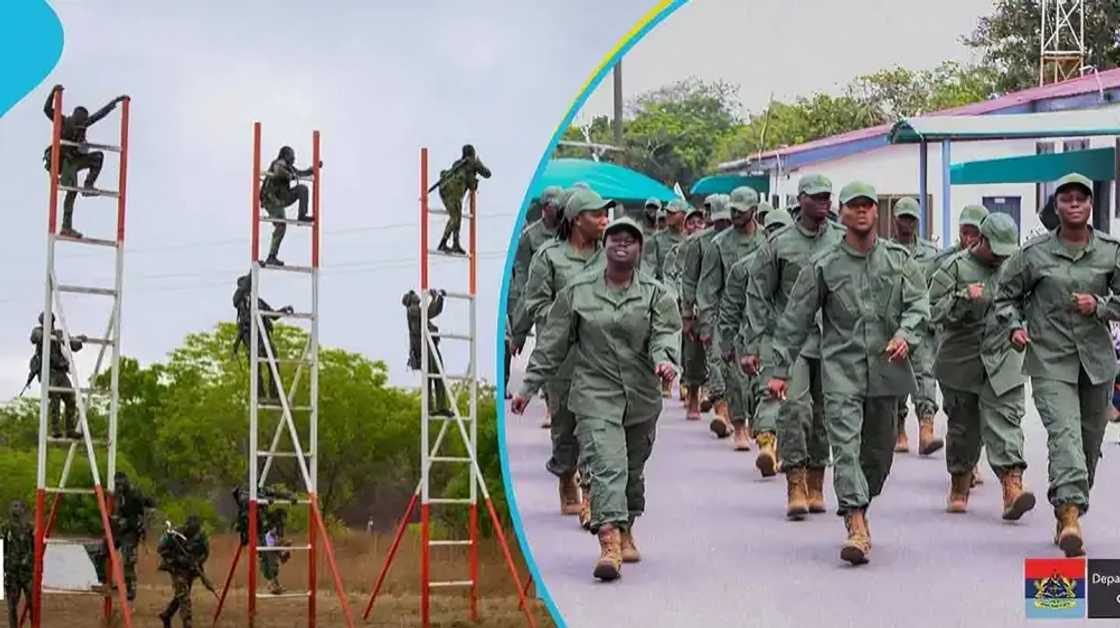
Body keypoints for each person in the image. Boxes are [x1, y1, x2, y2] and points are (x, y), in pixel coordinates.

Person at [511, 216, 681, 582]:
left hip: (640, 396)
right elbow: (553, 343)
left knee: (631, 470)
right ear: (604, 246)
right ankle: (609, 543)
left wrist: (665, 361)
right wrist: (528, 386)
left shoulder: (656, 294)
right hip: (594, 392)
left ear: (640, 249)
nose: (622, 243)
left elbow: (665, 334)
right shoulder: (578, 292)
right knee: (606, 466)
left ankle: (626, 526)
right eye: (615, 238)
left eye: (630, 239)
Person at [767, 181, 928, 565]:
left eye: (867, 205)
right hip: (841, 370)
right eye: (853, 205)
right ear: (843, 211)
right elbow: (796, 318)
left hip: (886, 370)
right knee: (845, 447)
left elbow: (919, 305)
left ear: (876, 212)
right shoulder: (824, 264)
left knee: (879, 453)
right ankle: (855, 523)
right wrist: (780, 369)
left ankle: (862, 500)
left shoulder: (898, 260)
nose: (861, 211)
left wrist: (906, 335)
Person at [993, 172, 1120, 557]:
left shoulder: (1111, 251)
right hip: (1050, 360)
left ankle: (1072, 506)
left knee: (1088, 442)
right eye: (1066, 198)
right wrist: (1015, 328)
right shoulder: (1034, 254)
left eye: (1082, 197)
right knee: (1064, 436)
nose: (1075, 203)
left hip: (1096, 363)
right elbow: (1004, 297)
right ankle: (1068, 515)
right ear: (1056, 206)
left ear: (1091, 205)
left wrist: (1099, 306)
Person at [744, 174, 845, 517]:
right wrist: (753, 345)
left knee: (825, 414)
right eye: (816, 196)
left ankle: (817, 481)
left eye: (827, 196)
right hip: (792, 342)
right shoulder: (779, 244)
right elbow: (758, 295)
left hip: (833, 340)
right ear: (800, 199)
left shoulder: (841, 240)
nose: (823, 202)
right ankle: (795, 481)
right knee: (795, 409)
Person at [510, 187, 611, 525]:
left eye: (606, 214)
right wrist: (567, 317)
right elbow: (535, 302)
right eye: (597, 214)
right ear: (576, 219)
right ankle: (567, 475)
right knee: (565, 426)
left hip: (602, 356)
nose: (604, 220)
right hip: (562, 356)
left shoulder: (610, 254)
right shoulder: (549, 256)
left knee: (598, 426)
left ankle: (592, 496)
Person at [928, 213, 1035, 518]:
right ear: (980, 240)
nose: (1000, 257)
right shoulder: (954, 267)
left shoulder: (1017, 267)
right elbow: (932, 312)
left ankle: (1012, 488)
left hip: (1004, 356)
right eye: (995, 250)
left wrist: (1022, 328)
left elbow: (1031, 303)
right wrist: (963, 299)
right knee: (964, 428)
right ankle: (960, 483)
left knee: (1006, 419)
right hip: (962, 360)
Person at [727, 207, 794, 474]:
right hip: (767, 336)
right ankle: (768, 444)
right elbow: (733, 306)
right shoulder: (747, 267)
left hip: (799, 338)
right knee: (771, 390)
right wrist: (734, 344)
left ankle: (775, 445)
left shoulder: (806, 263)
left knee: (781, 395)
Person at [700, 186, 766, 449]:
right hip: (730, 318)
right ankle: (739, 427)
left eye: (741, 210)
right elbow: (708, 288)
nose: (736, 214)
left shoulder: (769, 240)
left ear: (754, 211)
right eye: (733, 210)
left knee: (763, 375)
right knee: (734, 375)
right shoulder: (719, 244)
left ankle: (762, 429)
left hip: (762, 318)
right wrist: (707, 325)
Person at [890, 197, 944, 456]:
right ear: (895, 219)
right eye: (903, 218)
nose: (907, 223)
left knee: (925, 375)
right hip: (894, 324)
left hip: (922, 325)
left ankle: (926, 430)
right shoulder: (886, 251)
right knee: (896, 377)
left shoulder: (931, 254)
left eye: (911, 219)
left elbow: (939, 286)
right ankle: (899, 430)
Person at [42, 84, 127, 239]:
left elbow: (99, 115)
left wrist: (114, 103)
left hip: (76, 159)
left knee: (98, 157)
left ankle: (88, 184)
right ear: (73, 119)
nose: (82, 129)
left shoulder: (84, 123)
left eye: (83, 126)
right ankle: (66, 227)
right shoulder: (63, 121)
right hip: (64, 161)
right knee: (72, 189)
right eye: (80, 126)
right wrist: (53, 92)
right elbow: (47, 109)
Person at [681, 195, 733, 433]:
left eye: (727, 220)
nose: (723, 224)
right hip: (703, 308)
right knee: (695, 357)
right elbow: (689, 279)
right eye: (719, 220)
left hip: (732, 309)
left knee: (724, 360)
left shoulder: (738, 240)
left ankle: (724, 409)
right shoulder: (699, 242)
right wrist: (687, 314)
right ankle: (694, 394)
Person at [508, 187, 564, 402]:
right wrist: (519, 332)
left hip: (570, 302)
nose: (559, 209)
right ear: (545, 207)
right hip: (545, 307)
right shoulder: (529, 237)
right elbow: (525, 285)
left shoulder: (570, 232)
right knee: (547, 351)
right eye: (555, 205)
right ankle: (551, 403)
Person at [231, 274, 293, 401]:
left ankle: (275, 393)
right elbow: (242, 289)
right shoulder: (238, 301)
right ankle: (259, 393)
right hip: (250, 337)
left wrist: (283, 310)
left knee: (274, 362)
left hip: (264, 336)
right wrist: (252, 271)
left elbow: (273, 315)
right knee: (256, 365)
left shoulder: (259, 302)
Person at [260, 146, 321, 266]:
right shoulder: (279, 163)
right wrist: (289, 175)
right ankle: (272, 256)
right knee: (281, 226)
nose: (293, 159)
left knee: (302, 189)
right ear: (285, 156)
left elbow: (300, 173)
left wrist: (314, 168)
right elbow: (278, 170)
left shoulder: (289, 167)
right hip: (271, 199)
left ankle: (302, 215)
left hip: (282, 198)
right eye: (291, 156)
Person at [29, 312, 86, 439]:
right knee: (55, 398)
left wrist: (79, 339)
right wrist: (47, 334)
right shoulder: (38, 331)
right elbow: (35, 337)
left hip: (61, 371)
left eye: (51, 321)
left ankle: (70, 429)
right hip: (49, 372)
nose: (49, 323)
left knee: (70, 398)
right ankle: (55, 429)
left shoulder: (59, 333)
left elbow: (72, 345)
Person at [403, 289, 453, 417]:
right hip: (424, 346)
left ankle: (441, 406)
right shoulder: (412, 310)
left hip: (430, 344)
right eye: (414, 296)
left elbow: (431, 312)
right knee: (429, 376)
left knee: (439, 373)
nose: (417, 296)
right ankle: (430, 407)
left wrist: (438, 299)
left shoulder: (416, 310)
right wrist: (436, 298)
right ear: (411, 300)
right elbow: (429, 313)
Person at [436, 144, 491, 255]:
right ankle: (444, 243)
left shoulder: (457, 164)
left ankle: (454, 243)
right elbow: (487, 174)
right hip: (454, 193)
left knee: (456, 217)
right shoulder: (472, 163)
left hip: (444, 191)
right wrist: (479, 164)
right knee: (455, 217)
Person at [157, 516, 211, 628]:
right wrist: (177, 558)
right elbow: (161, 549)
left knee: (181, 595)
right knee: (183, 595)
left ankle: (167, 615)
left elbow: (205, 553)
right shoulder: (175, 534)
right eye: (190, 528)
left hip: (190, 568)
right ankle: (187, 623)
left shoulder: (201, 536)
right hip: (176, 568)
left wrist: (196, 562)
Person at [3, 501, 33, 628]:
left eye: (18, 506)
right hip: (12, 572)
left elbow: (34, 548)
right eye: (13, 506)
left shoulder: (29, 528)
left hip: (27, 572)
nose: (15, 509)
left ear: (23, 509)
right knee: (12, 606)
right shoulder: (6, 527)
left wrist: (28, 559)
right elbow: (2, 549)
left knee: (33, 603)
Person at [640, 198, 664, 275]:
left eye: (655, 208)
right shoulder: (641, 223)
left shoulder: (663, 222)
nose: (651, 210)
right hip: (646, 262)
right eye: (649, 207)